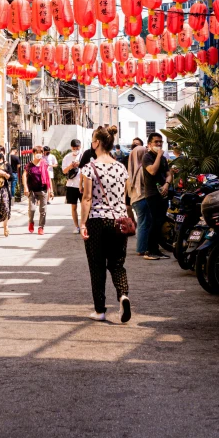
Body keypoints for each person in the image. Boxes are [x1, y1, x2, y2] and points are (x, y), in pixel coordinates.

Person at [80, 125, 132, 324]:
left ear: (98, 143)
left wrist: (82, 223)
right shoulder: (121, 167)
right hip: (119, 220)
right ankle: (123, 295)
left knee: (97, 265)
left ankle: (100, 310)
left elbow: (86, 198)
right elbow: (124, 196)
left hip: (96, 221)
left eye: (93, 140)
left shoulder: (90, 167)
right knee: (117, 263)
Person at [142, 132, 173, 260]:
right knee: (155, 221)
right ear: (149, 144)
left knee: (160, 222)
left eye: (161, 142)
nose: (159, 144)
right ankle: (149, 250)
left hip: (163, 193)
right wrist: (159, 156)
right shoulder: (147, 157)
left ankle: (157, 250)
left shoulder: (164, 159)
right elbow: (153, 170)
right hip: (152, 194)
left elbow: (168, 174)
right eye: (156, 142)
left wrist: (167, 184)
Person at [23, 146, 53, 235]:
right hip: (32, 190)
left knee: (43, 210)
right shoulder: (29, 165)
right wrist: (25, 187)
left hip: (43, 190)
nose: (39, 154)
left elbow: (48, 178)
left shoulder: (44, 164)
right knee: (32, 209)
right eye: (37, 153)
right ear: (34, 153)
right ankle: (31, 222)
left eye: (40, 153)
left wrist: (51, 190)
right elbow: (24, 175)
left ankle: (41, 227)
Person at [127, 145, 151, 256]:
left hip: (134, 200)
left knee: (142, 224)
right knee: (143, 225)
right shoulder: (142, 169)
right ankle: (141, 249)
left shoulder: (130, 171)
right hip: (142, 199)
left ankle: (142, 247)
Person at [62, 139, 83, 233]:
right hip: (71, 185)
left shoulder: (83, 156)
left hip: (82, 185)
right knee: (73, 207)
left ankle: (84, 225)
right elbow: (64, 171)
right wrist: (70, 166)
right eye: (74, 148)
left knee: (85, 207)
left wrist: (80, 164)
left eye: (77, 148)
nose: (75, 149)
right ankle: (76, 226)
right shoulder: (67, 157)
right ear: (71, 147)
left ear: (80, 147)